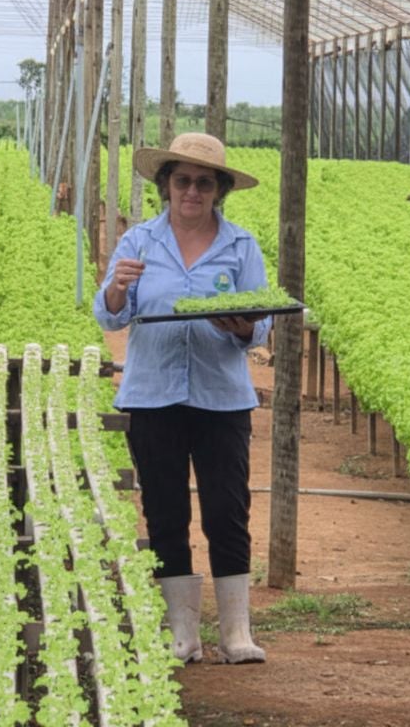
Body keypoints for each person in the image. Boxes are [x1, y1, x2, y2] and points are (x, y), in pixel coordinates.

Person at [94, 132, 270, 664]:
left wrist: (243, 327)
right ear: (166, 185)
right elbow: (110, 316)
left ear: (219, 191)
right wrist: (117, 288)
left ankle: (236, 634)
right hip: (153, 396)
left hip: (221, 398)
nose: (192, 191)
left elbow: (261, 323)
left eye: (204, 183)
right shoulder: (139, 243)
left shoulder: (240, 246)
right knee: (165, 510)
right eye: (183, 181)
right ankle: (182, 634)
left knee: (227, 510)